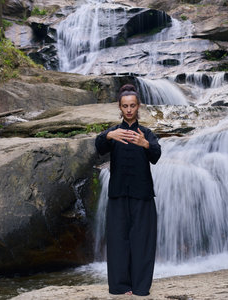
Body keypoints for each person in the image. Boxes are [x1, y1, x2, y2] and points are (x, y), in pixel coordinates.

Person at [95, 84, 161, 296]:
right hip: (118, 195)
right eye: (125, 106)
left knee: (142, 241)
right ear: (120, 107)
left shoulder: (147, 133)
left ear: (138, 106)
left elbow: (156, 156)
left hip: (142, 196)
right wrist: (107, 136)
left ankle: (141, 287)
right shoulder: (114, 132)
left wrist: (145, 144)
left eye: (132, 105)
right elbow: (98, 147)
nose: (129, 110)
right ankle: (120, 286)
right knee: (117, 240)